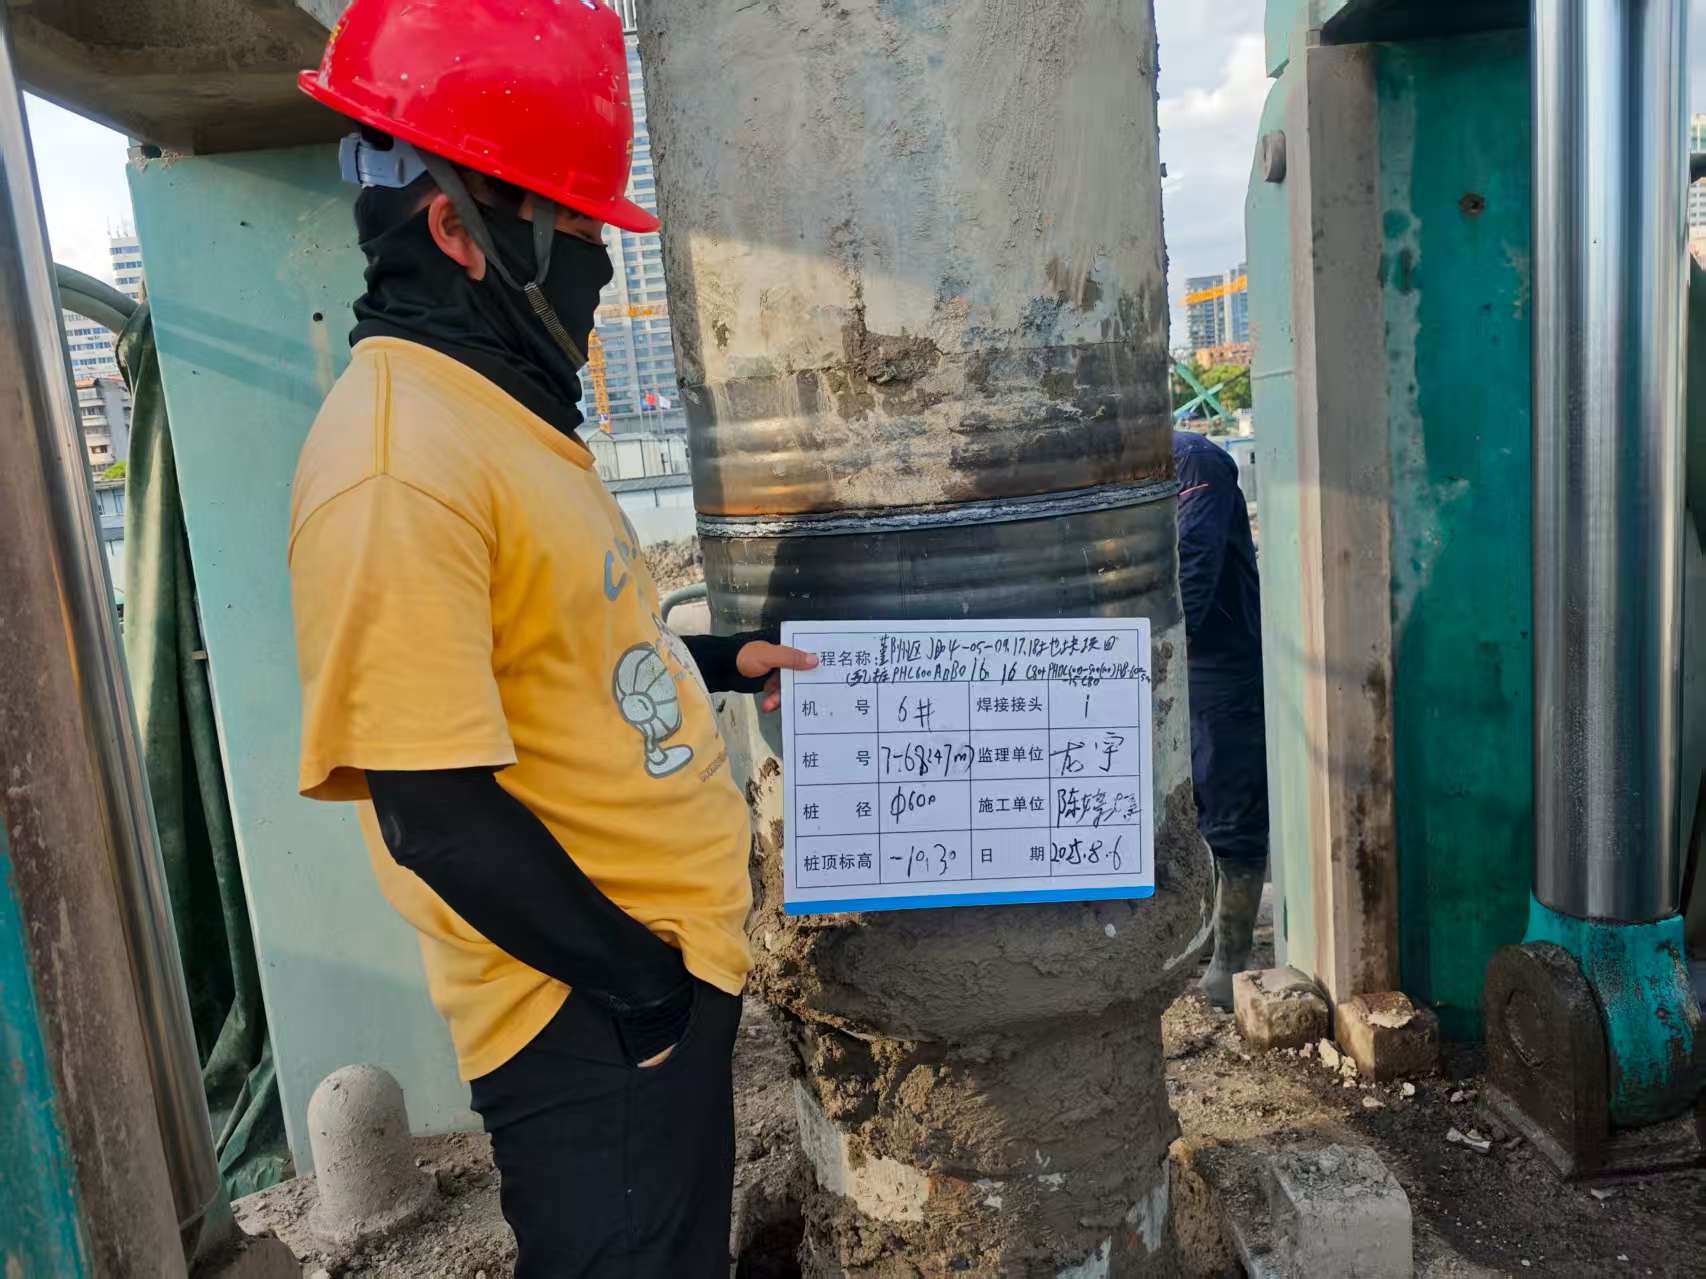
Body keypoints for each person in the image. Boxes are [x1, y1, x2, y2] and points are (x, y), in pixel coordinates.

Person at [287, 3, 814, 1273]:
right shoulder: (396, 468)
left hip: (644, 981)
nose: (599, 266)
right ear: (456, 230)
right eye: (575, 230)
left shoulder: (490, 416)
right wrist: (642, 995)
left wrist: (714, 660)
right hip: (585, 1014)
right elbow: (432, 809)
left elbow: (560, 655)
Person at [1173, 429, 1269, 1009]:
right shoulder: (1136, 468)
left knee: (1229, 802)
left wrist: (1155, 646)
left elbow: (1194, 564)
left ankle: (1233, 957)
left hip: (1218, 663)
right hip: (1173, 659)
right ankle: (1205, 936)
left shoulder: (1195, 461)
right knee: (1192, 804)